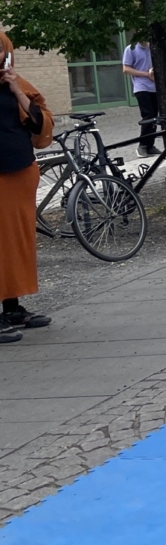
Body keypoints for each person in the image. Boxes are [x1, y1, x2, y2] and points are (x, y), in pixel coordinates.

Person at [0, 28, 54, 342]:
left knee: (17, 243)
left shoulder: (17, 86)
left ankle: (13, 307)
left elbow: (39, 121)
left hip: (19, 173)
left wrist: (16, 88)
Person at [121, 39, 159, 156]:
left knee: (154, 117)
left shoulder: (153, 47)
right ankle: (142, 146)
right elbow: (126, 69)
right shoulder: (131, 49)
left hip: (154, 86)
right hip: (141, 87)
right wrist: (146, 74)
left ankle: (150, 145)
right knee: (147, 115)